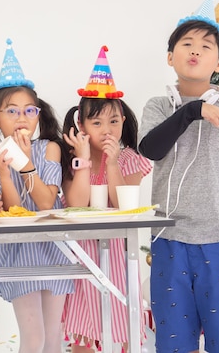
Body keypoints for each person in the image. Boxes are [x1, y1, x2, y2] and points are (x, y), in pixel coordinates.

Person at [138, 0, 219, 353]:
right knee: (174, 344)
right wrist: (192, 110)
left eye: (206, 46)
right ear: (171, 56)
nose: (195, 50)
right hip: (169, 240)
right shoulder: (157, 106)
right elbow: (150, 149)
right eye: (187, 43)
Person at [0, 39, 73, 353]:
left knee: (54, 339)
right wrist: (4, 171)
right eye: (12, 111)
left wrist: (26, 162)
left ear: (38, 115)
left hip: (54, 249)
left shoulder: (49, 148)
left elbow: (44, 201)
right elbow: (15, 209)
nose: (22, 117)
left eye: (29, 110)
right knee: (33, 338)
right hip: (18, 252)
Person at [60, 45, 151, 352]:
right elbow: (75, 203)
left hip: (118, 258)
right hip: (83, 257)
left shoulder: (129, 159)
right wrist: (84, 158)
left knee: (122, 326)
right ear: (81, 126)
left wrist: (112, 163)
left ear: (123, 121)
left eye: (113, 122)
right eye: (96, 123)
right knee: (84, 331)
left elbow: (124, 204)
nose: (106, 130)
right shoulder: (72, 159)